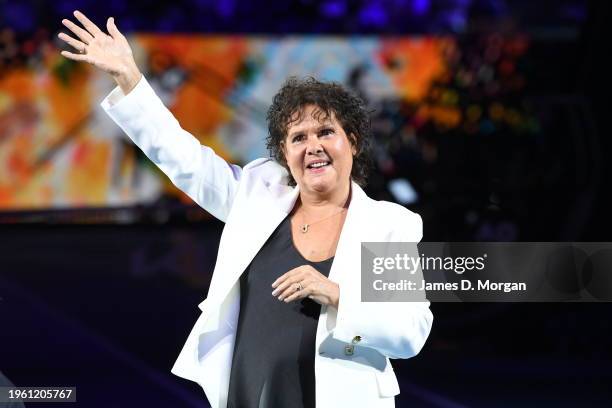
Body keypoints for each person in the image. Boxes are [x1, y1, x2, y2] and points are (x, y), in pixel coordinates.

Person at [59, 10, 433, 408]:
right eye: (298, 138)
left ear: (352, 142)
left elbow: (409, 333)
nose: (313, 146)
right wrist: (129, 78)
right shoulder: (257, 196)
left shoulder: (387, 225)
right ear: (284, 154)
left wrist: (337, 294)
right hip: (247, 395)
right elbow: (185, 160)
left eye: (326, 132)